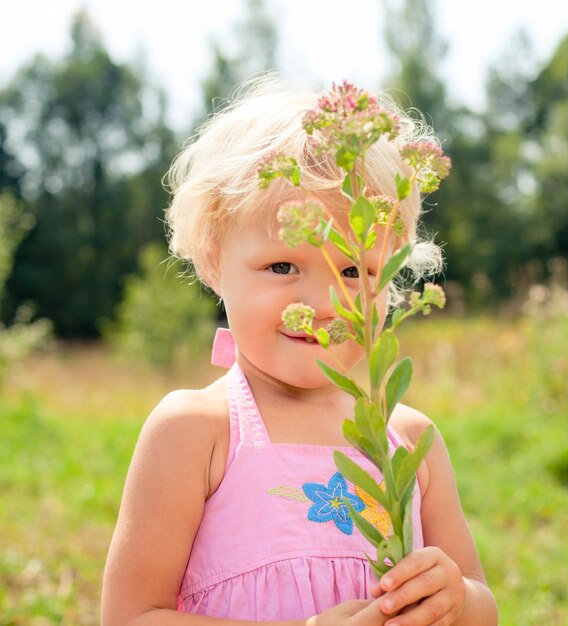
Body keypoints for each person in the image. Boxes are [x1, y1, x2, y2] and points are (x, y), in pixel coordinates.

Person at [101, 75, 498, 626]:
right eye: (282, 267)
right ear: (215, 261)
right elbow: (132, 616)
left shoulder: (410, 440)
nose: (324, 301)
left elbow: (481, 602)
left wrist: (459, 599)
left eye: (356, 268)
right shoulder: (195, 431)